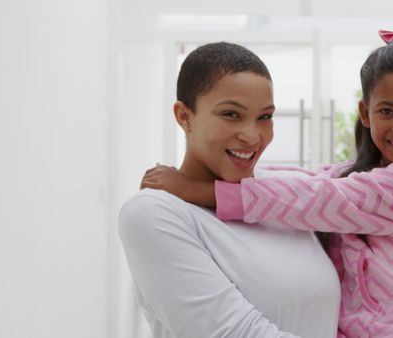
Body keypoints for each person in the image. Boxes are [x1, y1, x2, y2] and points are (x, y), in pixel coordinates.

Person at [143, 31, 393, 338]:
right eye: (388, 111)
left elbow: (322, 197)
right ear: (366, 113)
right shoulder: (380, 175)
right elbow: (316, 180)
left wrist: (203, 191)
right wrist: (240, 171)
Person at [119, 42, 341, 338]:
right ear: (184, 116)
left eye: (265, 117)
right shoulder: (154, 214)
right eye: (231, 115)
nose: (252, 136)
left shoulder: (280, 197)